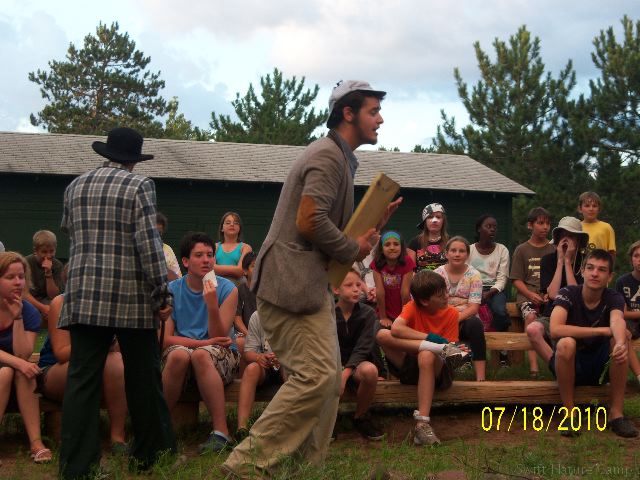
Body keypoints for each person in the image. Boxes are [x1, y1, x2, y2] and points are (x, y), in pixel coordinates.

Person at [223, 80, 400, 478]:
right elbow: (309, 221)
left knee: (329, 381)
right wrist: (352, 246)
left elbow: (325, 230)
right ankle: (244, 465)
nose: (380, 119)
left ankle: (305, 468)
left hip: (308, 285)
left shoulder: (340, 158)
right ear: (349, 113)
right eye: (373, 111)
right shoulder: (327, 156)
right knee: (316, 378)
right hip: (289, 285)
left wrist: (367, 231)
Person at [58, 127, 176, 479]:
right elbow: (149, 246)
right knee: (143, 378)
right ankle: (151, 455)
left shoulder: (75, 186)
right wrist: (162, 293)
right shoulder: (140, 186)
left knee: (82, 381)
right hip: (130, 300)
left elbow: (70, 233)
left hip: (82, 296)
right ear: (134, 160)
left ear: (106, 153)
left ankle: (77, 466)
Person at [161, 232, 239, 453]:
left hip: (220, 355)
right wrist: (203, 343)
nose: (206, 260)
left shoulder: (228, 289)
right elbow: (165, 339)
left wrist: (212, 305)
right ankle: (159, 428)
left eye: (210, 255)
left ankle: (221, 433)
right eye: (199, 255)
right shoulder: (171, 290)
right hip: (182, 353)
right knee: (179, 354)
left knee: (201, 355)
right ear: (185, 261)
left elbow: (220, 337)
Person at [549, 249, 638, 438]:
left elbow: (617, 320)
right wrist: (601, 330)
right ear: (582, 271)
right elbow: (555, 329)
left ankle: (616, 414)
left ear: (610, 276)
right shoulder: (568, 293)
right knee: (565, 343)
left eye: (601, 270)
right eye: (590, 268)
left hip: (600, 366)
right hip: (571, 363)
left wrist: (620, 342)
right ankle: (570, 414)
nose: (595, 273)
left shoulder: (613, 297)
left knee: (619, 340)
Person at [376, 270, 468, 445]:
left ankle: (422, 424)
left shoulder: (451, 313)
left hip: (437, 373)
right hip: (411, 369)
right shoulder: (412, 307)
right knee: (382, 334)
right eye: (440, 295)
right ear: (425, 301)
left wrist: (442, 348)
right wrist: (432, 340)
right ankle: (435, 347)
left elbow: (451, 355)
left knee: (427, 355)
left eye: (446, 291)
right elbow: (396, 329)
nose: (446, 296)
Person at [38, 293, 128, 452]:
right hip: (56, 370)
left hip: (101, 369)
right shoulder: (62, 302)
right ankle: (79, 439)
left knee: (115, 361)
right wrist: (97, 344)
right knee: (94, 365)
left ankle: (117, 437)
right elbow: (61, 353)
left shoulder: (111, 303)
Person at [0, 252, 51, 464]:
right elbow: (19, 360)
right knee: (7, 371)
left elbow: (23, 354)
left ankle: (36, 443)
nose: (18, 282)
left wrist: (18, 317)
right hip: (3, 375)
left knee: (24, 372)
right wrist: (18, 363)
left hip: (16, 380)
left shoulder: (28, 311)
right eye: (10, 277)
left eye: (21, 277)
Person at [526, 217, 588, 372]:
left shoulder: (586, 263)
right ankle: (557, 367)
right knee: (533, 329)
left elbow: (576, 295)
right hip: (551, 314)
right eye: (562, 235)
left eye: (571, 236)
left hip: (576, 316)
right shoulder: (547, 260)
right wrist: (560, 261)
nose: (566, 240)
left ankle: (567, 371)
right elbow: (553, 294)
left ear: (578, 240)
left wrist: (568, 262)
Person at [334, 269, 384, 440]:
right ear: (336, 289)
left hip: (358, 363)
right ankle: (328, 420)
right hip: (333, 362)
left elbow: (363, 347)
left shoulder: (367, 313)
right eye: (349, 285)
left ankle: (360, 417)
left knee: (370, 371)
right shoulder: (327, 314)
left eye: (358, 284)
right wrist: (338, 371)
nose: (356, 289)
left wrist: (345, 373)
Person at [509, 207, 555, 377]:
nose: (545, 227)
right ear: (530, 225)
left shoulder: (554, 249)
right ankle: (534, 367)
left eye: (548, 223)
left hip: (549, 294)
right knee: (530, 316)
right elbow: (516, 279)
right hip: (527, 295)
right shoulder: (522, 249)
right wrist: (529, 294)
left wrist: (549, 293)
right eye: (540, 223)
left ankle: (559, 362)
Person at [435, 237, 486, 381]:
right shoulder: (437, 274)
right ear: (446, 253)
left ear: (467, 255)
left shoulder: (474, 275)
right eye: (453, 250)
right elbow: (434, 302)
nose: (457, 254)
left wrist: (454, 319)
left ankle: (481, 378)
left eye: (461, 251)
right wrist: (447, 319)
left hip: (465, 318)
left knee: (476, 325)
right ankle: (441, 374)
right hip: (443, 318)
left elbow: (474, 307)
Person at [235, 310, 286, 442]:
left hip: (288, 365)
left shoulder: (293, 315)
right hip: (266, 366)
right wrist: (259, 357)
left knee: (289, 371)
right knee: (251, 369)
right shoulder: (257, 316)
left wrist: (283, 358)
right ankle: (242, 428)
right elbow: (248, 353)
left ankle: (290, 426)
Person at [468, 215, 510, 336]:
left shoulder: (502, 250)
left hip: (495, 290)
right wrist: (476, 292)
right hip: (473, 288)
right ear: (479, 229)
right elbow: (466, 274)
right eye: (488, 226)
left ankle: (500, 341)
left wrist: (489, 293)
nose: (492, 229)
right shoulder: (469, 250)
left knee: (499, 310)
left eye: (495, 227)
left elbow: (502, 278)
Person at [371, 231, 415, 328]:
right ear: (381, 249)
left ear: (401, 247)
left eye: (396, 244)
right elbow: (380, 292)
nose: (392, 247)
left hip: (404, 309)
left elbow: (405, 293)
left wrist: (403, 317)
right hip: (384, 310)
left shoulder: (407, 262)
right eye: (387, 245)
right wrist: (383, 317)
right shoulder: (376, 263)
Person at [24, 230, 65, 323]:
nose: (48, 255)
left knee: (58, 306)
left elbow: (53, 295)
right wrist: (42, 308)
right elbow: (23, 293)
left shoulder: (57, 265)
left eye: (52, 251)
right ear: (35, 251)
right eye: (44, 252)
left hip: (46, 300)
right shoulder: (26, 263)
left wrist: (48, 273)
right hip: (29, 299)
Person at [614, 240, 640, 384]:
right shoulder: (622, 281)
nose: (639, 259)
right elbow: (621, 313)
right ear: (631, 259)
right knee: (622, 329)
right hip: (630, 323)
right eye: (636, 256)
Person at [214, 212, 253, 285]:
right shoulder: (215, 247)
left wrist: (217, 268)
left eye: (236, 223)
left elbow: (240, 271)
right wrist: (234, 269)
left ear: (239, 228)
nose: (232, 225)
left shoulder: (245, 247)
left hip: (238, 287)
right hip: (217, 287)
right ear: (222, 228)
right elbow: (209, 269)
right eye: (228, 223)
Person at [408, 203, 449, 272]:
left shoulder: (451, 242)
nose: (434, 220)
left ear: (443, 221)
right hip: (420, 278)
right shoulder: (414, 243)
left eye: (438, 217)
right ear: (425, 221)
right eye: (430, 217)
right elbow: (410, 271)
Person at [578, 191, 616, 259]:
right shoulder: (576, 227)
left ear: (599, 209)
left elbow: (612, 253)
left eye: (594, 206)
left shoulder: (606, 227)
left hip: (601, 264)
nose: (591, 209)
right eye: (587, 206)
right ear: (580, 209)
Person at [235, 251, 258, 356]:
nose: (258, 269)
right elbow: (237, 318)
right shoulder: (240, 290)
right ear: (245, 271)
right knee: (240, 342)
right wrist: (249, 334)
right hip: (247, 334)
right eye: (254, 266)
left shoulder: (269, 290)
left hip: (267, 335)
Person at [156, 212, 182, 281]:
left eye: (159, 232)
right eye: (153, 232)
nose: (156, 236)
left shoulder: (167, 249)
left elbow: (177, 278)